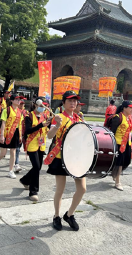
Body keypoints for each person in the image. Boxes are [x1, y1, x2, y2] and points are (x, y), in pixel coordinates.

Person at [45, 90, 85, 231]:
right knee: (60, 190)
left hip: (76, 159)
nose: (73, 103)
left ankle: (69, 214)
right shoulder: (58, 117)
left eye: (75, 101)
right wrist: (56, 125)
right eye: (70, 100)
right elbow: (49, 136)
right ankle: (56, 216)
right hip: (60, 157)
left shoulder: (79, 119)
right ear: (63, 103)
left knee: (82, 189)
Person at [20, 97, 51, 201]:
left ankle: (25, 180)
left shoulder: (45, 116)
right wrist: (40, 125)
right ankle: (33, 191)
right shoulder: (29, 116)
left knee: (37, 167)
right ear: (35, 105)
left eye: (44, 106)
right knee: (36, 167)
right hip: (32, 144)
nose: (42, 108)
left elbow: (49, 130)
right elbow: (27, 131)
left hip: (41, 144)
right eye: (40, 106)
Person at [0, 94, 24, 179]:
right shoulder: (7, 110)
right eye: (17, 99)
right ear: (12, 100)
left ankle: (11, 171)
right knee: (3, 153)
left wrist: (20, 135)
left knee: (13, 151)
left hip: (15, 132)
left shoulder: (20, 112)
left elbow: (20, 124)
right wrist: (1, 135)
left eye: (19, 99)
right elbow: (3, 123)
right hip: (6, 132)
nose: (18, 101)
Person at [110, 100, 132, 191]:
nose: (131, 109)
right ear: (124, 108)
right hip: (118, 143)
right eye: (130, 107)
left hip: (127, 144)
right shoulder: (117, 118)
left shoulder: (131, 118)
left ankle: (115, 173)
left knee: (127, 161)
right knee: (119, 163)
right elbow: (111, 132)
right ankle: (118, 181)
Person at [14, 99, 29, 172]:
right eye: (21, 104)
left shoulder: (27, 113)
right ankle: (16, 164)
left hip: (24, 133)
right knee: (17, 149)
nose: (22, 105)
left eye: (23, 104)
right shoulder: (15, 111)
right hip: (17, 132)